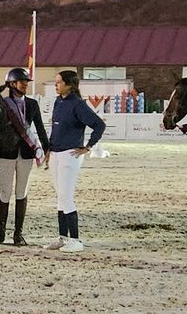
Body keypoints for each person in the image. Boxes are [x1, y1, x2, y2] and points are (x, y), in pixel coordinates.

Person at [44, 70, 105, 253]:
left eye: (59, 83)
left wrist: (88, 146)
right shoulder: (58, 101)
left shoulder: (78, 104)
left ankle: (76, 239)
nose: (56, 85)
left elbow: (99, 125)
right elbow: (55, 129)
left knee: (66, 196)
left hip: (70, 154)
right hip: (56, 153)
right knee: (60, 197)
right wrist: (49, 149)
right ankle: (63, 237)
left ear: (69, 85)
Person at [0, 67, 50, 246]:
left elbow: (39, 127)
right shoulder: (2, 104)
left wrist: (47, 148)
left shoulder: (32, 104)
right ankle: (0, 233)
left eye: (26, 82)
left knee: (21, 192)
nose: (25, 85)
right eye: (22, 82)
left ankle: (18, 234)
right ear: (12, 84)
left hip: (26, 152)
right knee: (5, 192)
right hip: (5, 152)